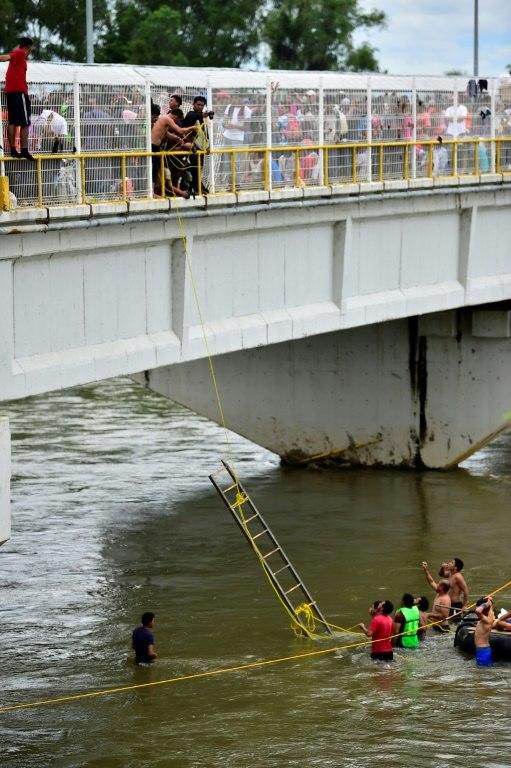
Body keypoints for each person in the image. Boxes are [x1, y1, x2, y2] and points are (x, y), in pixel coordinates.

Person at [0, 36, 34, 159]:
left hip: (11, 92)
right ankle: (24, 150)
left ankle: (13, 149)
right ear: (28, 47)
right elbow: (6, 57)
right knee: (25, 122)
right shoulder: (20, 53)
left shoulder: (18, 56)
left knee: (13, 121)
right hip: (19, 93)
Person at [474, 596, 494, 666]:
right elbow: (479, 610)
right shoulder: (488, 615)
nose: (476, 608)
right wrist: (488, 600)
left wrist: (487, 603)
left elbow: (477, 611)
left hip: (483, 650)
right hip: (482, 650)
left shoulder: (487, 620)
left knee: (483, 672)